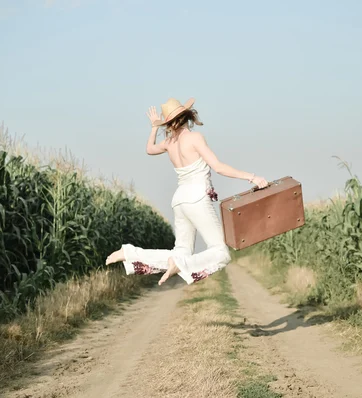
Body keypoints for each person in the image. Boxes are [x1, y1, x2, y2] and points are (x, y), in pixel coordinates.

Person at [105, 98, 268, 286]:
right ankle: (181, 265)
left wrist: (153, 127)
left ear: (169, 122)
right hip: (196, 198)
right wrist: (252, 177)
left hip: (179, 200)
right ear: (187, 116)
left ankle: (129, 254)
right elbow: (219, 167)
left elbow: (149, 149)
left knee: (180, 251)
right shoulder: (195, 138)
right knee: (220, 252)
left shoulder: (169, 143)